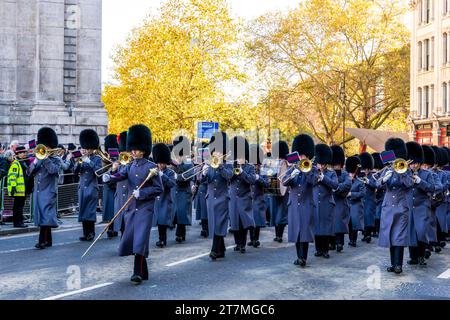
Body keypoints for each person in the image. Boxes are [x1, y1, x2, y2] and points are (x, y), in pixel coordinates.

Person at [103, 124, 163, 284]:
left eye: (136, 149)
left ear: (143, 149)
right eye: (133, 149)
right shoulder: (129, 166)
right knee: (134, 239)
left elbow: (159, 188)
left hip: (145, 209)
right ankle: (144, 272)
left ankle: (137, 272)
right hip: (131, 209)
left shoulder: (152, 167)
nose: (134, 151)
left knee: (140, 239)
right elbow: (121, 176)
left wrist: (142, 193)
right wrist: (110, 176)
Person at [378, 138, 414, 274]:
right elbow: (376, 184)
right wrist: (384, 179)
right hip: (388, 206)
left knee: (399, 236)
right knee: (390, 236)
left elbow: (410, 184)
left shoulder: (405, 169)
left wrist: (402, 173)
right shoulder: (386, 169)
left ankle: (399, 265)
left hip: (401, 205)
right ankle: (393, 264)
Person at [281, 134, 317, 267]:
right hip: (294, 204)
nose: (302, 158)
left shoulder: (312, 168)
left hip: (307, 204)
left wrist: (306, 171)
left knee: (305, 232)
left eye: (304, 156)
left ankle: (303, 258)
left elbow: (313, 181)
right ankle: (298, 256)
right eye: (300, 156)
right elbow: (284, 182)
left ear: (308, 155)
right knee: (296, 231)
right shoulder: (293, 168)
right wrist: (292, 175)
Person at [30, 127, 62, 249]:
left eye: (47, 147)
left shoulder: (56, 159)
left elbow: (53, 170)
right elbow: (30, 172)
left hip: (49, 191)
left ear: (50, 147)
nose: (45, 149)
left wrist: (46, 158)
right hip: (39, 192)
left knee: (45, 215)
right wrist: (35, 161)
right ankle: (48, 240)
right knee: (43, 215)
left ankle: (42, 241)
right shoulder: (39, 158)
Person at [205, 131, 233, 260]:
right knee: (215, 224)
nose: (216, 153)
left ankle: (214, 250)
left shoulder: (228, 164)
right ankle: (221, 249)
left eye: (219, 151)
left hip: (222, 197)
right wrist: (203, 173)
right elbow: (204, 180)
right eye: (215, 151)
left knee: (219, 223)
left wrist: (220, 165)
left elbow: (229, 176)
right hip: (211, 198)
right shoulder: (208, 163)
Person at [406, 142, 434, 266]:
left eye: (415, 163)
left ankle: (421, 256)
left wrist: (420, 181)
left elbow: (432, 188)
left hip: (422, 207)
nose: (413, 165)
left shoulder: (426, 174)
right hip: (409, 207)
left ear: (419, 162)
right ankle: (413, 257)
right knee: (411, 233)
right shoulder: (405, 173)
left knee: (421, 232)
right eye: (411, 163)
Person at [229, 136, 256, 253]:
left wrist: (242, 171)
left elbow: (252, 180)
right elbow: (228, 177)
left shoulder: (250, 167)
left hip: (245, 197)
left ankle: (243, 244)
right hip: (233, 197)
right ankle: (237, 243)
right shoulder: (231, 165)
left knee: (243, 222)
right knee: (235, 222)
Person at [74, 129, 102, 241]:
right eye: (85, 148)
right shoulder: (81, 159)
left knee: (90, 211)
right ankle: (85, 233)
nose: (86, 150)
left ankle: (91, 233)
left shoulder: (97, 159)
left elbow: (98, 171)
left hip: (91, 187)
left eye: (88, 148)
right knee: (83, 211)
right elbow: (75, 171)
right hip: (82, 188)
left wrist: (88, 161)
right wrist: (78, 162)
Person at [313, 144, 338, 258]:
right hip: (315, 202)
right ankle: (318, 249)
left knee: (326, 228)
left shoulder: (331, 173)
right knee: (317, 227)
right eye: (320, 163)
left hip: (327, 202)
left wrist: (324, 178)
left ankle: (326, 250)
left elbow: (335, 185)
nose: (321, 166)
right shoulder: (312, 171)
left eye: (323, 164)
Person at [153, 143, 176, 248]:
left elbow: (172, 184)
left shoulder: (170, 172)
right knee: (158, 221)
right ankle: (160, 238)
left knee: (163, 221)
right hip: (156, 200)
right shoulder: (154, 171)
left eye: (162, 163)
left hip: (165, 199)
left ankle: (163, 240)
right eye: (159, 163)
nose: (161, 165)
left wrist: (163, 176)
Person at [172, 136, 194, 243]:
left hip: (184, 190)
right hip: (175, 189)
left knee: (181, 212)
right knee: (175, 212)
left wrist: (178, 176)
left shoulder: (188, 161)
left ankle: (180, 234)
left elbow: (190, 174)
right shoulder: (174, 159)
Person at [330, 145, 351, 253]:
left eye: (337, 164)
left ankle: (340, 243)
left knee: (340, 223)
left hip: (341, 201)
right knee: (332, 223)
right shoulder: (329, 173)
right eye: (334, 164)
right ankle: (332, 243)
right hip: (331, 202)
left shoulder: (345, 174)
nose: (336, 166)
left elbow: (348, 184)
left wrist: (336, 188)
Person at [269, 140, 290, 242]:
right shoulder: (272, 162)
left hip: (285, 190)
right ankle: (277, 234)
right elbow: (268, 174)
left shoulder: (289, 160)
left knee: (281, 213)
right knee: (275, 212)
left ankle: (279, 235)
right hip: (274, 188)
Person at [249, 144, 268, 248]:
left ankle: (255, 239)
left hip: (258, 197)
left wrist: (258, 178)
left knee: (256, 219)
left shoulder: (262, 170)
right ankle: (251, 239)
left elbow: (266, 183)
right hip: (249, 197)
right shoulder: (248, 168)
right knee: (250, 219)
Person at [6, 147, 28, 228]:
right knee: (18, 207)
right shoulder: (16, 163)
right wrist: (12, 187)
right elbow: (12, 176)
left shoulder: (21, 162)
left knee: (19, 207)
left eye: (25, 152)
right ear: (18, 154)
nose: (24, 154)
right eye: (23, 152)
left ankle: (19, 222)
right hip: (18, 190)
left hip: (21, 190)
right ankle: (18, 223)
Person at [112, 131, 128, 237]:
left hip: (129, 194)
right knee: (121, 222)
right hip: (120, 194)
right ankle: (123, 243)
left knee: (129, 222)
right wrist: (113, 170)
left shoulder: (133, 163)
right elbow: (113, 179)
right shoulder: (120, 162)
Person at [347, 156, 365, 247]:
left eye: (352, 172)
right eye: (349, 172)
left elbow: (362, 193)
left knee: (354, 223)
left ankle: (353, 240)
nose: (350, 174)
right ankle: (351, 239)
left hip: (356, 205)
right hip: (347, 205)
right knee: (349, 224)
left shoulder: (360, 181)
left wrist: (352, 194)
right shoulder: (346, 180)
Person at [359, 152, 377, 244]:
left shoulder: (373, 176)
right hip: (362, 199)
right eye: (364, 169)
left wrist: (368, 181)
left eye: (367, 169)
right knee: (363, 218)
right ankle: (365, 234)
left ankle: (368, 234)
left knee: (369, 218)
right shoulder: (360, 176)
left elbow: (376, 185)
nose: (365, 171)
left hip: (370, 199)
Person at [102, 134, 119, 232]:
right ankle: (110, 227)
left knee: (114, 207)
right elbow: (101, 171)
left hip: (115, 183)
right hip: (107, 184)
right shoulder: (105, 157)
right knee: (109, 207)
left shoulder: (119, 156)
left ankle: (114, 228)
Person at [372, 152, 385, 238]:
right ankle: (374, 230)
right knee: (374, 214)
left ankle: (377, 230)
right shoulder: (373, 173)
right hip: (373, 197)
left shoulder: (382, 172)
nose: (376, 170)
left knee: (378, 214)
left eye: (377, 168)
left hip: (381, 196)